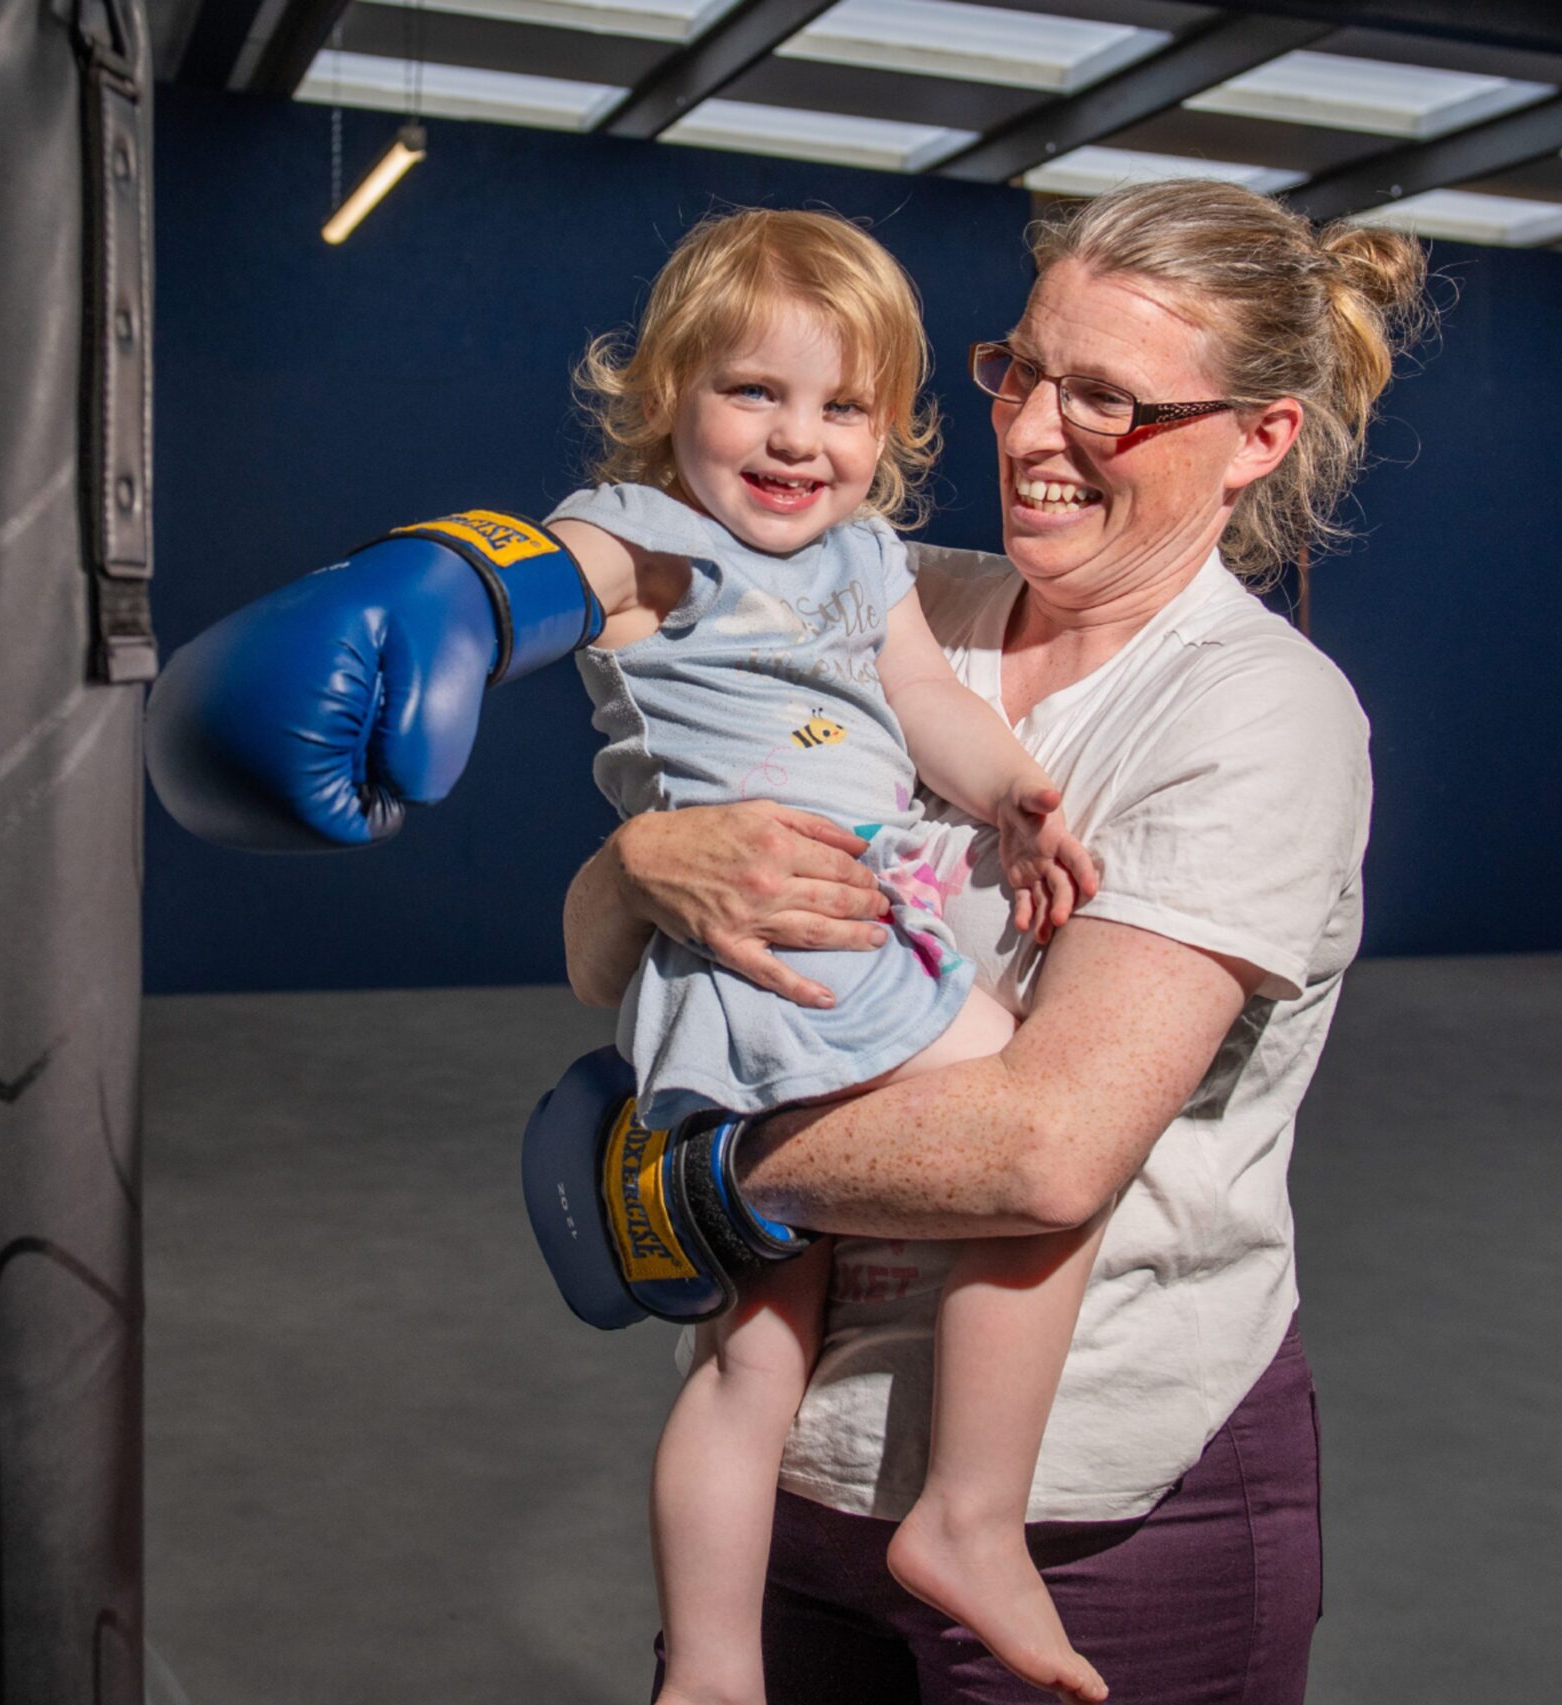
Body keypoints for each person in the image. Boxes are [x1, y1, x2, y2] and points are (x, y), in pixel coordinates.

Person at [554, 179, 1430, 1704]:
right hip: (795, 1480)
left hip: (1099, 1519)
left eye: (1105, 397)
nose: (1031, 433)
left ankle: (972, 1513)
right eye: (1022, 369)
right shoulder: (891, 597)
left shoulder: (1252, 712)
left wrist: (686, 1166)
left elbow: (1043, 1154)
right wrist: (645, 859)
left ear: (1261, 436)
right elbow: (594, 955)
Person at [542, 208, 1109, 1705]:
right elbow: (535, 575)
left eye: (843, 407)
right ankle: (974, 1513)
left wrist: (1014, 795)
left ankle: (713, 1676)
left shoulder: (869, 563)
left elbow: (925, 702)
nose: (800, 440)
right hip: (794, 934)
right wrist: (424, 612)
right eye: (754, 393)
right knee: (1042, 1152)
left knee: (752, 1353)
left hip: (819, 931)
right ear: (668, 395)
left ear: (890, 430)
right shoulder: (646, 536)